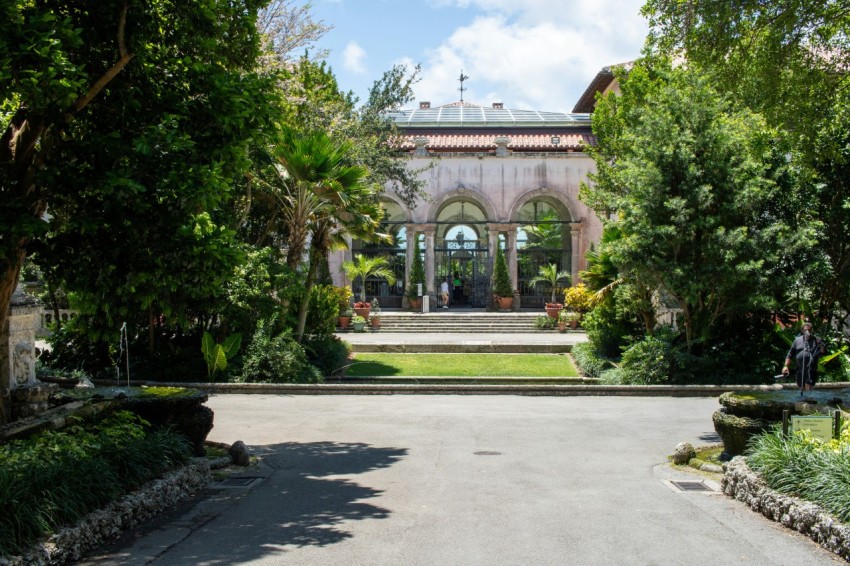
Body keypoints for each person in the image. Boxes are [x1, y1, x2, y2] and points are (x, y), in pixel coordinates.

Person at [782, 322, 826, 392]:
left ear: (811, 330)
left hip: (811, 369)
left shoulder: (816, 340)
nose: (807, 331)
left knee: (809, 385)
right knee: (801, 387)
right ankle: (802, 401)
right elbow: (790, 354)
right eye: (805, 330)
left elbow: (822, 352)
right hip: (800, 369)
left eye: (809, 330)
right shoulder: (797, 340)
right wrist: (785, 366)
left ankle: (809, 400)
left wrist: (822, 346)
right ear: (802, 330)